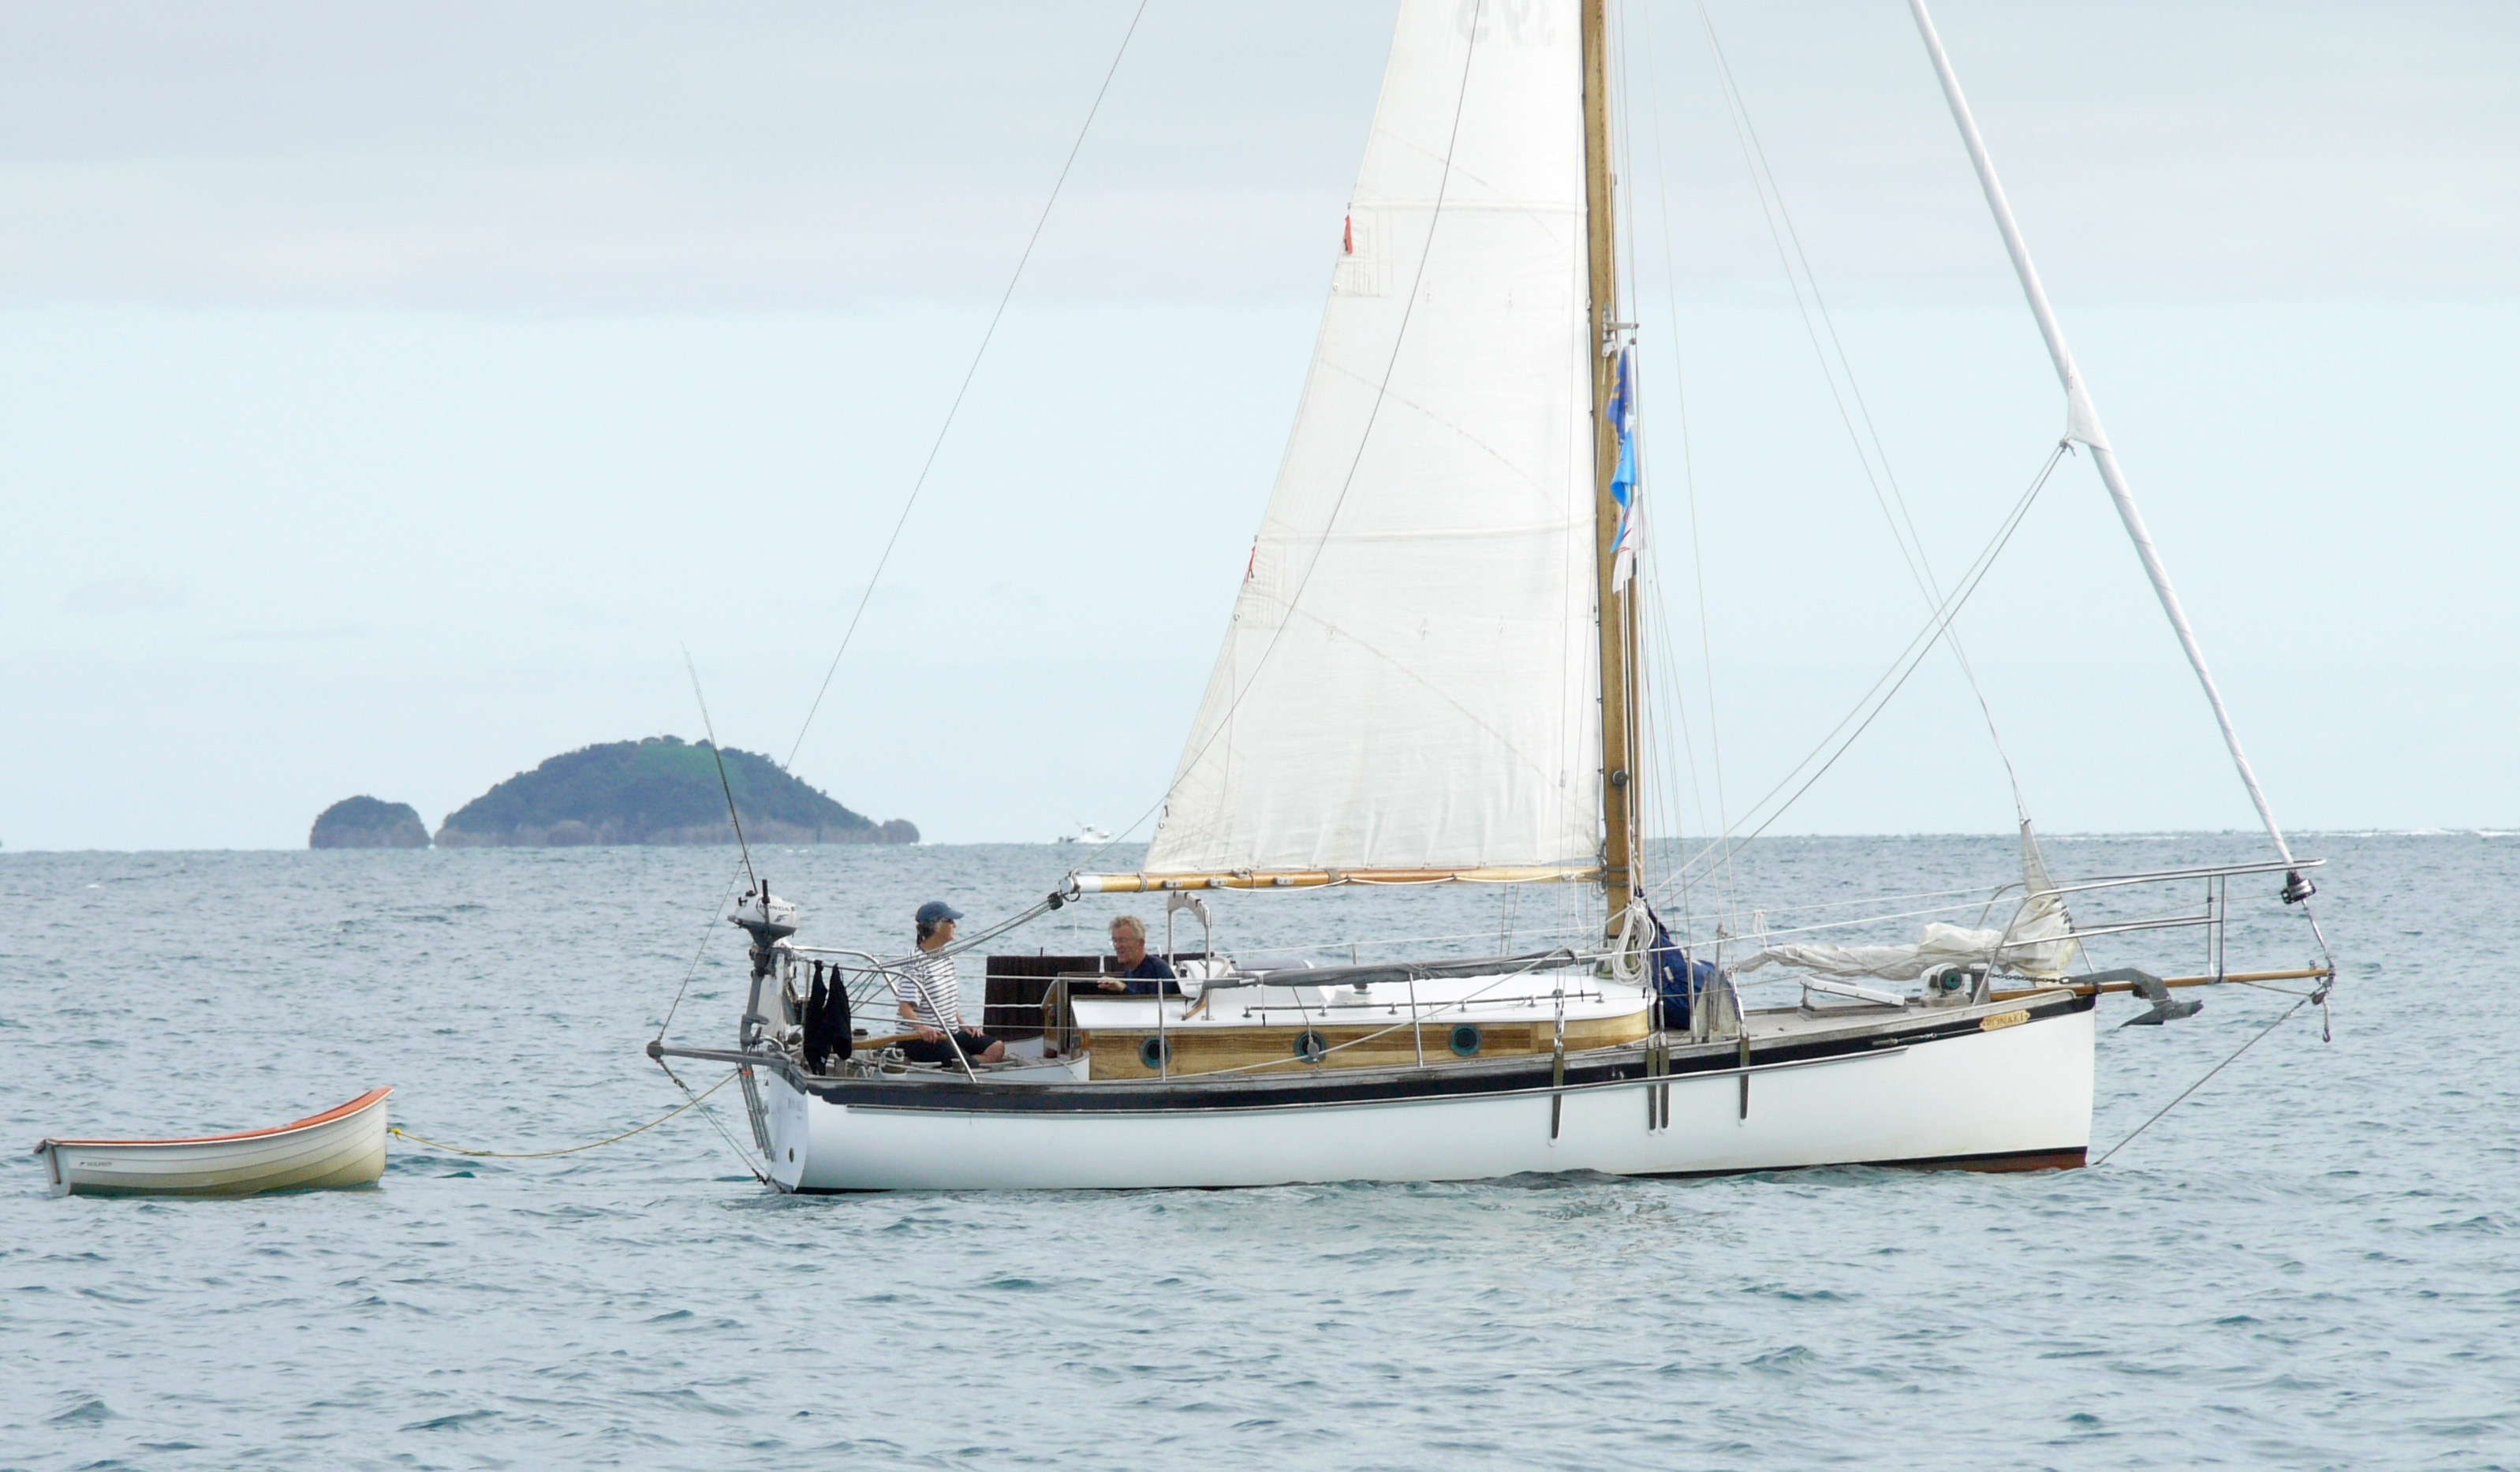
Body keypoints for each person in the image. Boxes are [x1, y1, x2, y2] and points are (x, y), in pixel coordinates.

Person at [894, 901, 1006, 1066]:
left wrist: (963, 1025)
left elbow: (949, 1001)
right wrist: (923, 1028)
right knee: (967, 1065)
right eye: (951, 921)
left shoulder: (945, 956)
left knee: (996, 1048)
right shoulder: (916, 961)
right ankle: (963, 1065)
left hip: (949, 1032)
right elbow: (905, 1007)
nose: (955, 925)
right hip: (919, 1039)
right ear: (936, 927)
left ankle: (959, 1064)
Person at [1096, 915, 1181, 996]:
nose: (1117, 946)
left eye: (1123, 940)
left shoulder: (1157, 970)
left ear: (1140, 943)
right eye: (1115, 941)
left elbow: (1153, 1003)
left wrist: (1123, 988)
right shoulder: (1129, 971)